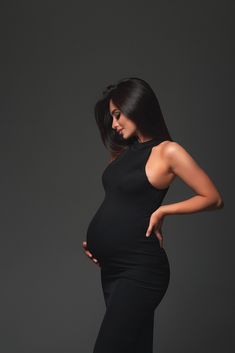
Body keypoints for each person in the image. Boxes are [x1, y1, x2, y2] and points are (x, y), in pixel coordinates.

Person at [82, 77, 224, 353]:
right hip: (112, 270)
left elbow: (213, 198)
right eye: (112, 117)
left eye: (117, 114)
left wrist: (164, 211)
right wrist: (101, 245)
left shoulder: (167, 152)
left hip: (141, 269)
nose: (114, 124)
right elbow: (118, 203)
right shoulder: (122, 154)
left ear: (136, 105)